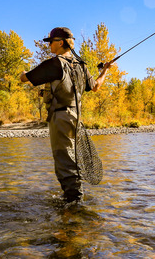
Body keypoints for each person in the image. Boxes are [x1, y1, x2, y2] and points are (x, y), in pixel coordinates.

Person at [20, 27, 113, 203]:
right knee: (72, 158)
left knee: (64, 161)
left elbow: (26, 79)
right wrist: (105, 70)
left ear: (60, 42)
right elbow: (96, 86)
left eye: (51, 42)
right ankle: (73, 200)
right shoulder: (82, 65)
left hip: (61, 117)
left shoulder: (54, 64)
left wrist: (23, 73)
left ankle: (74, 204)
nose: (49, 46)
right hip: (76, 119)